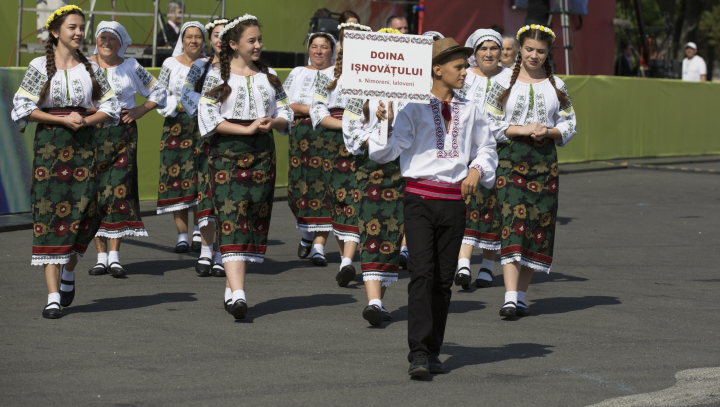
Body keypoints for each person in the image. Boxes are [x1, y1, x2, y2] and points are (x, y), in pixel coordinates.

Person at [368, 38, 498, 377]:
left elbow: (487, 149)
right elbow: (385, 152)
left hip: (454, 201)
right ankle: (419, 353)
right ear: (437, 69)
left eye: (465, 66)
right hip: (419, 200)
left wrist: (475, 169)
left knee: (443, 280)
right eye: (459, 66)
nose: (465, 72)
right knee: (422, 274)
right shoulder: (412, 107)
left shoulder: (471, 109)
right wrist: (384, 121)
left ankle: (435, 349)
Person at [11, 5, 120, 319]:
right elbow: (21, 108)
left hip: (85, 146)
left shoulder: (93, 68)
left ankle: (70, 268)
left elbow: (111, 105)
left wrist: (86, 121)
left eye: (81, 27)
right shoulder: (38, 66)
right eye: (72, 27)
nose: (78, 32)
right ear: (56, 32)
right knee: (50, 213)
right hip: (51, 146)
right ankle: (53, 295)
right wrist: (61, 121)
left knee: (92, 209)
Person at [198, 14, 293, 319]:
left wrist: (273, 121)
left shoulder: (269, 75)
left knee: (252, 216)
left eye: (259, 40)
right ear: (233, 44)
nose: (258, 45)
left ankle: (232, 285)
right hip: (226, 153)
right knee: (231, 215)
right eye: (251, 40)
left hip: (262, 155)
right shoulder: (216, 76)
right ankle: (238, 292)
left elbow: (287, 111)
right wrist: (246, 129)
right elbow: (208, 116)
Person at [485, 24, 577, 318]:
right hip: (511, 158)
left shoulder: (557, 85)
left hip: (544, 161)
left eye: (540, 51)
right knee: (513, 220)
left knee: (537, 225)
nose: (533, 55)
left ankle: (521, 296)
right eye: (528, 50)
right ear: (520, 50)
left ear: (548, 52)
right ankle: (510, 297)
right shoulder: (502, 83)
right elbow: (488, 122)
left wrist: (549, 132)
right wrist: (522, 129)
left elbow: (570, 123)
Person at [87, 21, 166, 278]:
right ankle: (100, 257)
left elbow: (160, 90)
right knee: (95, 192)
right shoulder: (83, 65)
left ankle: (115, 256)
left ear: (121, 42)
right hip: (91, 134)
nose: (106, 42)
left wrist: (141, 109)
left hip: (123, 134)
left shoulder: (131, 66)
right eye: (102, 37)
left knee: (119, 191)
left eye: (112, 38)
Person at [342, 27, 406, 326]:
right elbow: (351, 130)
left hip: (402, 170)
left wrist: (394, 131)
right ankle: (374, 301)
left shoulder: (410, 89)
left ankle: (379, 300)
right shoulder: (357, 87)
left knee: (392, 235)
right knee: (371, 231)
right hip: (369, 170)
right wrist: (378, 140)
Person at [309, 22, 372, 283]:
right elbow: (318, 112)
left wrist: (357, 129)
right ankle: (345, 259)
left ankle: (347, 260)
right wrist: (345, 125)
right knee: (337, 200)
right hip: (332, 144)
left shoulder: (374, 76)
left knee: (355, 199)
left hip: (361, 143)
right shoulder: (327, 76)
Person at [454, 29, 512, 290]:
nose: (488, 53)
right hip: (464, 149)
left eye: (493, 48)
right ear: (474, 52)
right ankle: (463, 264)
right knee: (466, 204)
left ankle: (487, 267)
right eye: (483, 48)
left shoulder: (512, 78)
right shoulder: (464, 78)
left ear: (501, 51)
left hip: (501, 148)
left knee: (493, 207)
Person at [180, 18, 228, 277]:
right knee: (206, 194)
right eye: (216, 35)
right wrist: (212, 108)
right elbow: (187, 94)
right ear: (211, 40)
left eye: (225, 35)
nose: (220, 39)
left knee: (227, 196)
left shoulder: (244, 66)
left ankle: (222, 253)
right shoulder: (201, 65)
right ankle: (207, 251)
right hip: (206, 136)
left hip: (232, 137)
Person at [284, 32, 336, 259]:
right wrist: (312, 109)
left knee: (325, 186)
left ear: (332, 51)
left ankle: (319, 245)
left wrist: (304, 108)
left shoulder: (337, 73)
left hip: (328, 134)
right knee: (299, 185)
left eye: (323, 47)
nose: (318, 51)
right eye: (314, 46)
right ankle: (306, 233)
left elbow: (335, 105)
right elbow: (285, 103)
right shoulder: (297, 72)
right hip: (301, 137)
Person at [155, 21, 206, 253]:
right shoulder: (169, 64)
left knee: (200, 177)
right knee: (176, 176)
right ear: (182, 40)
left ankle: (198, 230)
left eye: (198, 37)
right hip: (175, 125)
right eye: (189, 37)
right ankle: (182, 235)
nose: (193, 41)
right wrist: (178, 105)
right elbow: (161, 93)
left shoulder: (209, 65)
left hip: (202, 126)